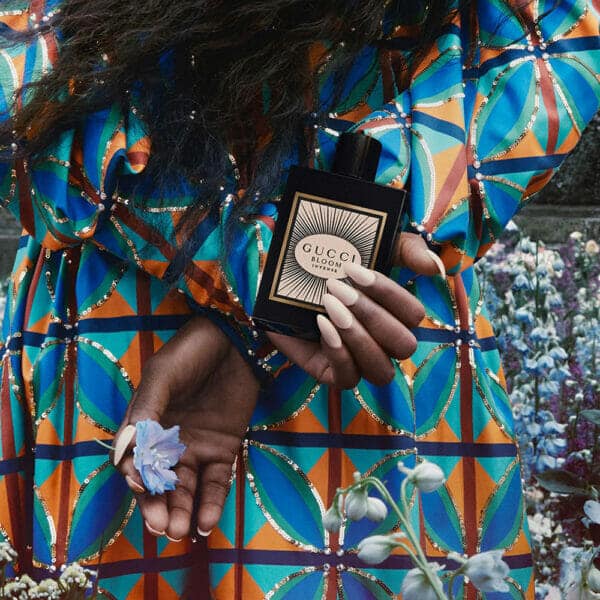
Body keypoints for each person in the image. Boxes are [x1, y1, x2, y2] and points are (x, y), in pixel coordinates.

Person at [0, 0, 598, 598]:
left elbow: (559, 30)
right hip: (361, 300)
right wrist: (303, 259)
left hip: (315, 311)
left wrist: (271, 274)